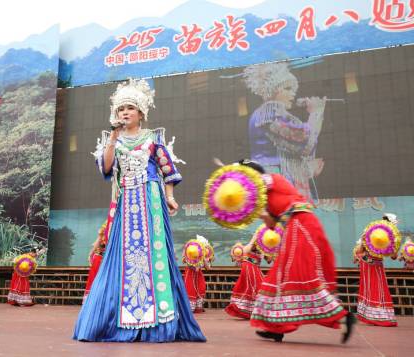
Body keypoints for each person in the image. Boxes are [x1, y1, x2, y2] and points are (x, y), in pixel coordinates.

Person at [73, 78, 206, 342]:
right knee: (123, 257)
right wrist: (112, 138)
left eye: (130, 108)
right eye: (121, 109)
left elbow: (169, 170)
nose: (125, 113)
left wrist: (169, 197)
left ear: (141, 113)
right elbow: (107, 168)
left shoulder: (153, 140)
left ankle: (158, 322)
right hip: (126, 203)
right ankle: (118, 320)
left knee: (155, 255)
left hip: (151, 201)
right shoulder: (114, 141)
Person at [239, 160, 354, 343]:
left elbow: (253, 185)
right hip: (294, 227)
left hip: (302, 224)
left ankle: (342, 316)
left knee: (301, 276)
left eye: (244, 176)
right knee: (279, 277)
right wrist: (261, 213)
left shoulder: (269, 179)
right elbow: (272, 224)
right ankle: (275, 327)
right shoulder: (265, 198)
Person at [243, 63, 327, 201]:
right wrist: (316, 113)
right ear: (273, 90)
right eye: (287, 88)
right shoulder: (269, 112)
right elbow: (304, 141)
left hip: (275, 179)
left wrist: (307, 169)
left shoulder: (269, 113)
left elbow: (302, 145)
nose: (293, 93)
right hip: (276, 181)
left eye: (293, 89)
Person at [354, 214, 398, 327]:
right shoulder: (390, 235)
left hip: (366, 262)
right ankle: (378, 316)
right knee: (377, 287)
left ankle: (371, 315)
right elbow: (393, 256)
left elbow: (359, 250)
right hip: (373, 263)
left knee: (371, 287)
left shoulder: (371, 230)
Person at [225, 233, 272, 319]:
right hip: (249, 266)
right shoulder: (255, 243)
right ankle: (257, 311)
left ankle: (252, 311)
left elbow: (269, 260)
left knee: (256, 287)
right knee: (257, 287)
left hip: (254, 267)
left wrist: (273, 251)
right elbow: (245, 251)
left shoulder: (265, 246)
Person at [83, 221, 108, 303]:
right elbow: (99, 239)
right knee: (95, 279)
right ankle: (92, 301)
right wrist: (91, 253)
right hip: (99, 257)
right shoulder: (108, 223)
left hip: (106, 258)